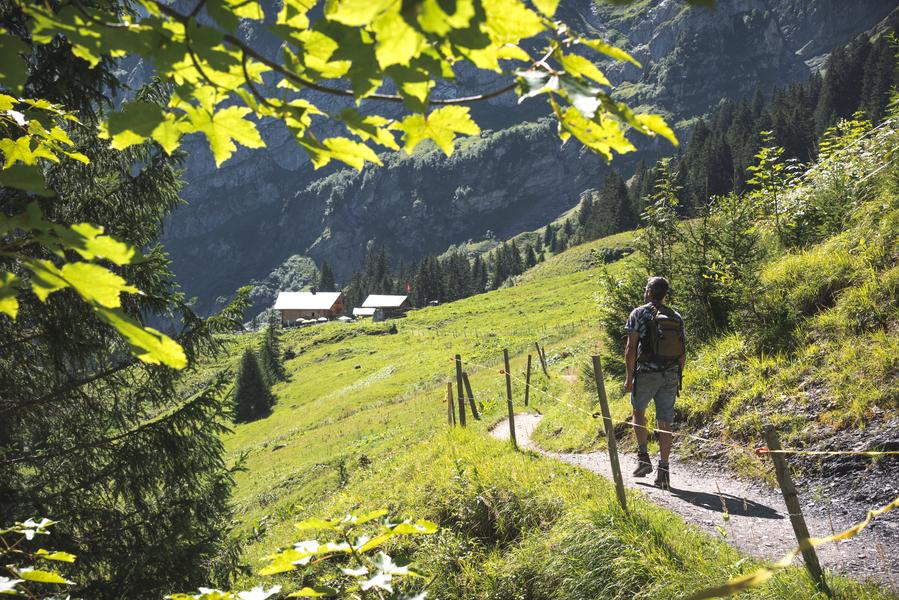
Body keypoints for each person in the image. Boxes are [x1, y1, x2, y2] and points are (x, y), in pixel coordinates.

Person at [624, 276, 686, 490]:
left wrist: (629, 377)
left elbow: (631, 349)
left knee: (638, 411)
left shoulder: (638, 313)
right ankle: (664, 471)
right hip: (670, 374)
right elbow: (682, 352)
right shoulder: (675, 316)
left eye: (646, 288)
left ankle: (643, 459)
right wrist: (678, 376)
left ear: (650, 292)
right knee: (665, 421)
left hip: (646, 373)